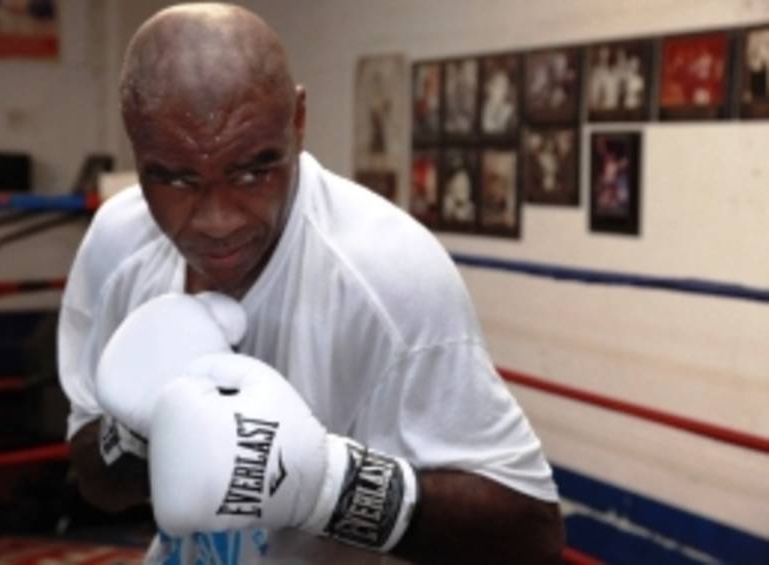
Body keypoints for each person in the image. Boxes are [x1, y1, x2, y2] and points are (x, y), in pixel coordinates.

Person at [58, 3, 563, 564]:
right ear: (134, 142)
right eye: (174, 178)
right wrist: (134, 436)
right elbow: (95, 481)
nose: (216, 220)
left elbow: (532, 537)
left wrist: (329, 488)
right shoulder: (119, 243)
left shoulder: (387, 277)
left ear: (298, 121)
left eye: (253, 171)